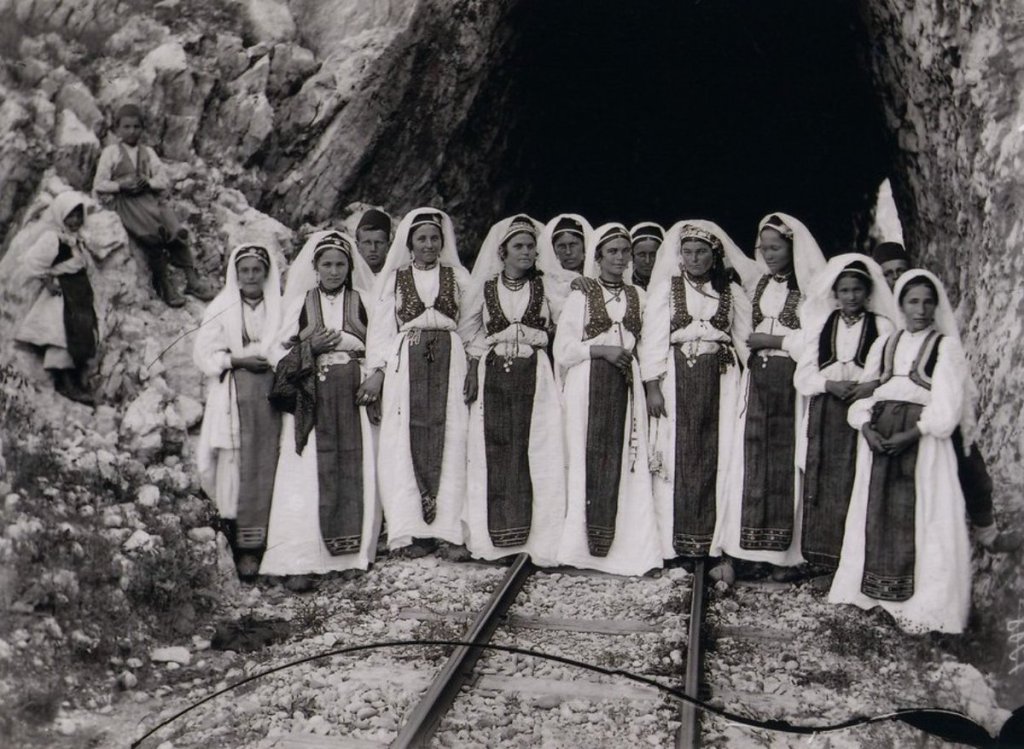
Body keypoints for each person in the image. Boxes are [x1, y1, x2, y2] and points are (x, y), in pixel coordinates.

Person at [829, 270, 972, 633]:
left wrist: (912, 434)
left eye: (927, 302)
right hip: (879, 439)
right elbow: (867, 393)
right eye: (913, 301)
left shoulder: (945, 348)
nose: (920, 310)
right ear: (901, 304)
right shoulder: (885, 344)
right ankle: (874, 597)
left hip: (923, 445)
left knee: (923, 518)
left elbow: (946, 409)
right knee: (873, 511)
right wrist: (866, 427)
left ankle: (922, 609)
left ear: (936, 306)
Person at [872, 241, 1017, 554]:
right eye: (888, 274)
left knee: (967, 459)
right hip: (886, 412)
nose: (894, 278)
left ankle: (985, 531)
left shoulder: (920, 304)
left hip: (930, 407)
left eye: (899, 271)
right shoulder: (876, 315)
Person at [260, 231, 380, 590]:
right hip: (310, 397)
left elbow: (382, 344)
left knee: (354, 466)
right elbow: (274, 352)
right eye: (326, 264)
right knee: (304, 475)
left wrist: (375, 375)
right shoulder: (300, 303)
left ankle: (349, 558)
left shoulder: (364, 300)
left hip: (353, 396)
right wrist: (308, 347)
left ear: (350, 267)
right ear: (315, 267)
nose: (333, 270)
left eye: (340, 264)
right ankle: (299, 560)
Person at [712, 213, 826, 582]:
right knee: (751, 459)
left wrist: (774, 340)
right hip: (759, 380)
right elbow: (722, 247)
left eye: (776, 248)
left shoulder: (811, 289)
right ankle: (746, 552)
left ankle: (784, 556)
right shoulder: (758, 283)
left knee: (785, 461)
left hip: (791, 382)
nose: (769, 254)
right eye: (764, 249)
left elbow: (817, 339)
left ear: (793, 248)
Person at [640, 220, 755, 573]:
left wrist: (754, 384)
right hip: (676, 378)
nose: (694, 258)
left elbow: (745, 342)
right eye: (688, 252)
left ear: (714, 255)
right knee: (676, 453)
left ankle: (715, 542)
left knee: (719, 452)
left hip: (722, 380)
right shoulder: (668, 289)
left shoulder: (730, 292)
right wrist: (653, 386)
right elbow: (653, 339)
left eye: (701, 252)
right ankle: (672, 544)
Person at [361, 209, 472, 556]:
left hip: (452, 361)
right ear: (409, 243)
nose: (428, 244)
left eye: (434, 238)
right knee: (403, 441)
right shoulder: (394, 280)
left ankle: (450, 531)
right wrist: (376, 373)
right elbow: (381, 330)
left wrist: (474, 366)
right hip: (405, 364)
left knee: (454, 437)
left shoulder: (459, 277)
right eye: (421, 238)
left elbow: (471, 325)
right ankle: (414, 532)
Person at [554, 222, 661, 576]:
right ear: (598, 257)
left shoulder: (639, 296)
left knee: (627, 463)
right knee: (586, 459)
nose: (620, 258)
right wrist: (602, 350)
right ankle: (581, 551)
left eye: (625, 251)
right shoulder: (582, 296)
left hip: (626, 386)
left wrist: (648, 383)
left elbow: (646, 345)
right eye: (612, 251)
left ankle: (628, 553)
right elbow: (564, 349)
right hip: (586, 382)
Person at [458, 215, 566, 565]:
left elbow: (568, 322)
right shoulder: (487, 287)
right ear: (502, 252)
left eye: (531, 246)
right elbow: (469, 330)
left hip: (536, 372)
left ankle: (539, 541)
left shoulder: (547, 286)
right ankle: (498, 540)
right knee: (496, 448)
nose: (526, 252)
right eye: (518, 246)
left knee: (536, 448)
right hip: (494, 373)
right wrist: (474, 367)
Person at [794, 254, 898, 573]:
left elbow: (891, 372)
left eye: (857, 290)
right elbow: (803, 375)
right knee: (821, 477)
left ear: (868, 293)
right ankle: (819, 559)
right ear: (835, 293)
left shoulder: (882, 326)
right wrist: (828, 385)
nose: (851, 296)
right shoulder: (823, 325)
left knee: (855, 479)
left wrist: (870, 387)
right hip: (826, 410)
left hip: (864, 410)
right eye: (844, 290)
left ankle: (850, 562)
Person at [193, 244, 283, 579]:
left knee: (270, 461)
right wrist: (238, 360)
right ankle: (240, 546)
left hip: (271, 397)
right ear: (236, 274)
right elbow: (203, 354)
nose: (250, 276)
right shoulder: (222, 306)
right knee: (233, 465)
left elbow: (287, 345)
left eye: (256, 270)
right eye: (244, 270)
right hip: (233, 396)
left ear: (266, 273)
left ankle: (268, 547)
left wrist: (271, 358)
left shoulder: (279, 307)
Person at [93, 104, 215, 307]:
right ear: (117, 129)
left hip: (148, 199)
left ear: (142, 128)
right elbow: (99, 184)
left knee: (175, 228)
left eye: (136, 127)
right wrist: (121, 186)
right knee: (153, 234)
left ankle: (192, 279)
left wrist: (148, 183)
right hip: (126, 203)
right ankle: (163, 283)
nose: (132, 131)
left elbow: (163, 179)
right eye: (126, 127)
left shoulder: (148, 152)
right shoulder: (111, 153)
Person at [14, 192, 99, 406]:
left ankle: (78, 379)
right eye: (70, 216)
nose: (75, 221)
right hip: (62, 293)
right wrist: (47, 282)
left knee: (81, 329)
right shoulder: (53, 238)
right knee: (61, 333)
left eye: (79, 216)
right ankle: (65, 381)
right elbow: (32, 262)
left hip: (78, 291)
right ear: (61, 215)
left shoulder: (78, 238)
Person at [355, 207, 392, 276]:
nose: (373, 249)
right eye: (367, 243)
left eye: (379, 242)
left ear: (388, 246)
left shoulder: (398, 276)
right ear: (357, 246)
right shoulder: (350, 277)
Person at [629, 222, 664, 291]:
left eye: (653, 255)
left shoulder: (670, 286)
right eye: (641, 255)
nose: (647, 261)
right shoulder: (622, 285)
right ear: (632, 256)